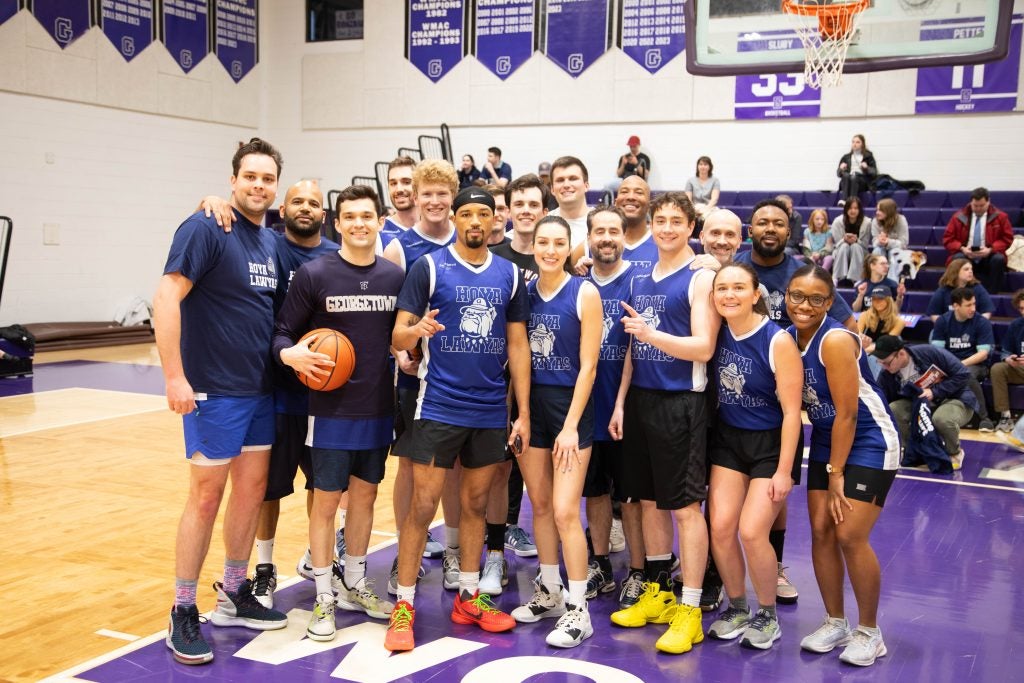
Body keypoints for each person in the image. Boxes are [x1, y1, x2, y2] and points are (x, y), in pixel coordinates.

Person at [154, 138, 289, 665]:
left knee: (251, 491)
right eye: (250, 176)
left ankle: (234, 592)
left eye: (267, 178)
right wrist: (174, 377)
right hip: (213, 388)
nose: (259, 185)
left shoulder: (269, 241)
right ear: (233, 181)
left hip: (258, 389)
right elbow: (167, 295)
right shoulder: (206, 226)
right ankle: (182, 608)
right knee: (206, 497)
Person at [386, 186, 530, 652]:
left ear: (494, 221)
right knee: (422, 509)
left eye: (482, 213)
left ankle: (469, 596)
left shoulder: (509, 274)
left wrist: (522, 412)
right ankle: (404, 605)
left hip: (489, 410)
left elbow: (518, 346)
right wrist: (415, 331)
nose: (473, 220)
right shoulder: (429, 267)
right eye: (465, 212)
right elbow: (396, 337)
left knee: (475, 505)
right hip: (438, 406)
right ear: (454, 216)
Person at [195, 181, 343, 606]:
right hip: (274, 388)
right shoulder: (268, 246)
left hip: (323, 392)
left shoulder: (335, 256)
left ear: (324, 213)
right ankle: (263, 567)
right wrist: (211, 202)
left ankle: (321, 560)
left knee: (323, 483)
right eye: (297, 201)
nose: (305, 208)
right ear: (283, 207)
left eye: (314, 203)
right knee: (266, 490)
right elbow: (230, 225)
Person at [272, 184, 404, 641]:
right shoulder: (314, 274)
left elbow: (402, 338)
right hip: (329, 411)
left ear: (379, 221)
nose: (359, 224)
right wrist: (291, 357)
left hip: (377, 408)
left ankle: (354, 583)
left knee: (365, 500)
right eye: (350, 217)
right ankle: (323, 596)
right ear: (337, 222)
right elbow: (282, 334)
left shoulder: (393, 277)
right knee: (326, 504)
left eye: (367, 216)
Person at [608, 191, 719, 655]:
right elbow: (634, 349)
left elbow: (703, 348)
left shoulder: (700, 277)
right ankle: (658, 594)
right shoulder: (641, 277)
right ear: (651, 226)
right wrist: (619, 404)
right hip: (641, 400)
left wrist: (653, 334)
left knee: (685, 509)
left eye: (677, 220)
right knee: (649, 501)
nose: (668, 227)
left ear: (691, 228)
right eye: (661, 220)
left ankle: (690, 610)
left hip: (682, 404)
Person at [735, 198, 857, 606]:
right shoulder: (734, 264)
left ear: (790, 232)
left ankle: (779, 564)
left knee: (776, 487)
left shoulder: (803, 273)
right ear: (750, 229)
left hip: (783, 398)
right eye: (762, 221)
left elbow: (846, 323)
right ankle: (722, 568)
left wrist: (819, 368)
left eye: (779, 223)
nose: (770, 228)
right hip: (739, 391)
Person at [785, 265, 899, 667]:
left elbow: (849, 415)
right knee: (820, 531)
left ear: (829, 302)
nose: (805, 305)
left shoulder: (833, 340)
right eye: (797, 295)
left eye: (817, 298)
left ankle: (870, 632)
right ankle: (836, 621)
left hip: (868, 438)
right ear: (786, 296)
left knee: (849, 533)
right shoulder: (786, 338)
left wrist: (837, 476)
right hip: (827, 438)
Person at [511, 215, 602, 647]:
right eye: (542, 242)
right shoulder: (525, 294)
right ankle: (548, 590)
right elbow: (519, 360)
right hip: (535, 408)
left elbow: (589, 366)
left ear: (569, 248)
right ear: (533, 247)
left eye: (558, 242)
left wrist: (569, 427)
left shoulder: (584, 292)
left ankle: (579, 609)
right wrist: (523, 415)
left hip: (571, 411)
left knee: (566, 510)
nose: (549, 249)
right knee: (541, 506)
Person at [706, 263, 802, 650]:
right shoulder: (717, 333)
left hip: (771, 445)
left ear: (756, 293)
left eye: (738, 287)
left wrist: (784, 471)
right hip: (729, 440)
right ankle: (738, 606)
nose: (729, 295)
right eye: (722, 288)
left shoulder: (777, 341)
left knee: (751, 530)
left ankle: (767, 613)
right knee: (721, 527)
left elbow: (793, 412)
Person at [382, 159, 460, 591]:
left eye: (441, 193)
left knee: (453, 470)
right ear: (415, 195)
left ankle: (451, 552)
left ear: (452, 197)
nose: (433, 201)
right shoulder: (399, 248)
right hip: (416, 379)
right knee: (411, 468)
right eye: (426, 193)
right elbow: (390, 319)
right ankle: (403, 555)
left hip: (458, 377)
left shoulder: (466, 241)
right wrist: (399, 356)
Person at [581, 206, 647, 611]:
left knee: (633, 496)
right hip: (587, 406)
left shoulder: (638, 283)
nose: (606, 237)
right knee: (595, 493)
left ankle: (638, 570)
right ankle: (601, 563)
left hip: (629, 406)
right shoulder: (577, 284)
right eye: (598, 231)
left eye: (613, 231)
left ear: (625, 237)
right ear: (588, 238)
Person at [872, 335, 978, 470]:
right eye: (880, 363)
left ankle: (954, 452)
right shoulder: (887, 375)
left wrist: (935, 391)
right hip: (921, 405)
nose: (885, 367)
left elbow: (963, 374)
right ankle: (913, 450)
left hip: (955, 398)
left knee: (941, 418)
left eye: (887, 362)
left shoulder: (930, 353)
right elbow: (881, 403)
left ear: (901, 353)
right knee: (894, 409)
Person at [931, 287, 996, 431]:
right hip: (948, 363)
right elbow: (937, 350)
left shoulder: (981, 322)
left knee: (966, 374)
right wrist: (950, 365)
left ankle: (984, 418)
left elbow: (983, 353)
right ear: (955, 306)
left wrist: (959, 364)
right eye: (968, 305)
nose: (973, 308)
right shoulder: (943, 321)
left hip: (975, 364)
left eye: (974, 304)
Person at [942, 186, 1014, 293]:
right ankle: (960, 292)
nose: (978, 208)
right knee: (957, 258)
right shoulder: (958, 217)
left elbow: (1007, 238)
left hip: (989, 254)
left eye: (982, 205)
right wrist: (962, 248)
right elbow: (948, 239)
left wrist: (991, 249)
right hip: (966, 254)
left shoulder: (1001, 217)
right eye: (975, 205)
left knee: (998, 259)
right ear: (970, 202)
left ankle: (992, 293)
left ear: (988, 202)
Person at [989, 289, 1024, 432]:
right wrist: (1008, 359)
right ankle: (1005, 417)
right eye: (1022, 308)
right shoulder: (1016, 325)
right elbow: (1005, 350)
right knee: (998, 368)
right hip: (1020, 368)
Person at [857, 285, 905, 379]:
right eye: (874, 299)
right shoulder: (864, 316)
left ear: (888, 300)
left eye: (880, 299)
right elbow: (857, 337)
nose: (877, 302)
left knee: (875, 358)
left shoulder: (899, 321)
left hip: (884, 353)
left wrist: (864, 349)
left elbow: (887, 344)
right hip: (864, 351)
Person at [926, 259, 995, 321]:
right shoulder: (943, 290)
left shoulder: (977, 288)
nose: (970, 271)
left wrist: (979, 326)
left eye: (971, 269)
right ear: (955, 272)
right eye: (966, 269)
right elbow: (934, 314)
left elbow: (987, 311)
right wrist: (943, 327)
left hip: (973, 329)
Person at [549, 156, 592, 248]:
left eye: (573, 178)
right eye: (560, 180)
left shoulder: (602, 222)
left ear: (586, 185)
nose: (566, 185)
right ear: (552, 189)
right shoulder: (543, 223)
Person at [830, 197, 871, 286]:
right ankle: (837, 277)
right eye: (850, 208)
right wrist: (844, 240)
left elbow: (865, 245)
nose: (853, 211)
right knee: (844, 246)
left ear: (859, 209)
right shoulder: (837, 221)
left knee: (855, 246)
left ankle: (856, 279)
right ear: (846, 209)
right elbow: (837, 244)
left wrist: (857, 241)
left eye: (855, 208)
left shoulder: (867, 222)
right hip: (841, 249)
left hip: (860, 251)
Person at [381, 156, 419, 247]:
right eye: (393, 183)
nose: (399, 189)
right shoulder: (379, 232)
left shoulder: (435, 228)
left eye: (406, 182)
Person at [869, 198, 910, 281]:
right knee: (877, 251)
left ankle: (892, 283)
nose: (877, 213)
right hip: (881, 248)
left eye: (880, 210)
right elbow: (874, 242)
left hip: (896, 249)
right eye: (877, 210)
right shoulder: (875, 221)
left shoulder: (901, 220)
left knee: (894, 252)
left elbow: (904, 243)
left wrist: (888, 242)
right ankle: (877, 281)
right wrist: (880, 241)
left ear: (888, 211)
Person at [836, 134, 877, 204]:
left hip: (861, 181)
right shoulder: (846, 157)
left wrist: (867, 167)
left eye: (857, 142)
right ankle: (844, 200)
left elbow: (874, 173)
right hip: (848, 180)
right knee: (846, 175)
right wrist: (841, 169)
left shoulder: (868, 156)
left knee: (854, 177)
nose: (854, 144)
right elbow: (839, 174)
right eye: (853, 142)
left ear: (862, 144)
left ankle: (852, 201)